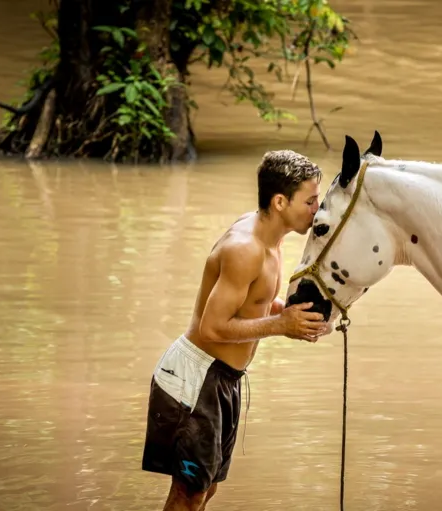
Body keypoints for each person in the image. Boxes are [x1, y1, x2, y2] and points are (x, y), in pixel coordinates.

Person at [141, 149, 329, 511]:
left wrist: (295, 315)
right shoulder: (245, 249)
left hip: (223, 379)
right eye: (310, 201)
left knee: (205, 489)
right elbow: (211, 327)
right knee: (190, 492)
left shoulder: (272, 239)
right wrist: (279, 325)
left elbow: (253, 304)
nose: (317, 209)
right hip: (195, 378)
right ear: (279, 202)